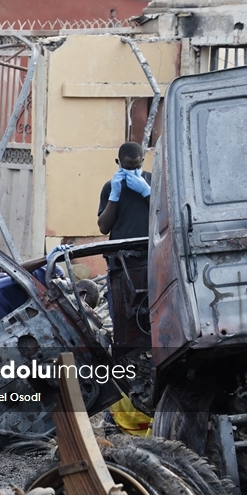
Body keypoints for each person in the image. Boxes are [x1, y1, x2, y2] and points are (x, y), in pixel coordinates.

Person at [97, 141, 153, 437]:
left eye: (137, 165)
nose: (132, 170)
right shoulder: (111, 186)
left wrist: (146, 191)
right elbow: (104, 227)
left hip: (152, 264)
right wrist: (115, 197)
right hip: (122, 269)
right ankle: (116, 415)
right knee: (123, 337)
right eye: (127, 166)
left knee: (152, 331)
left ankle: (150, 405)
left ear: (144, 161)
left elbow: (163, 215)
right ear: (118, 161)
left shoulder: (153, 182)